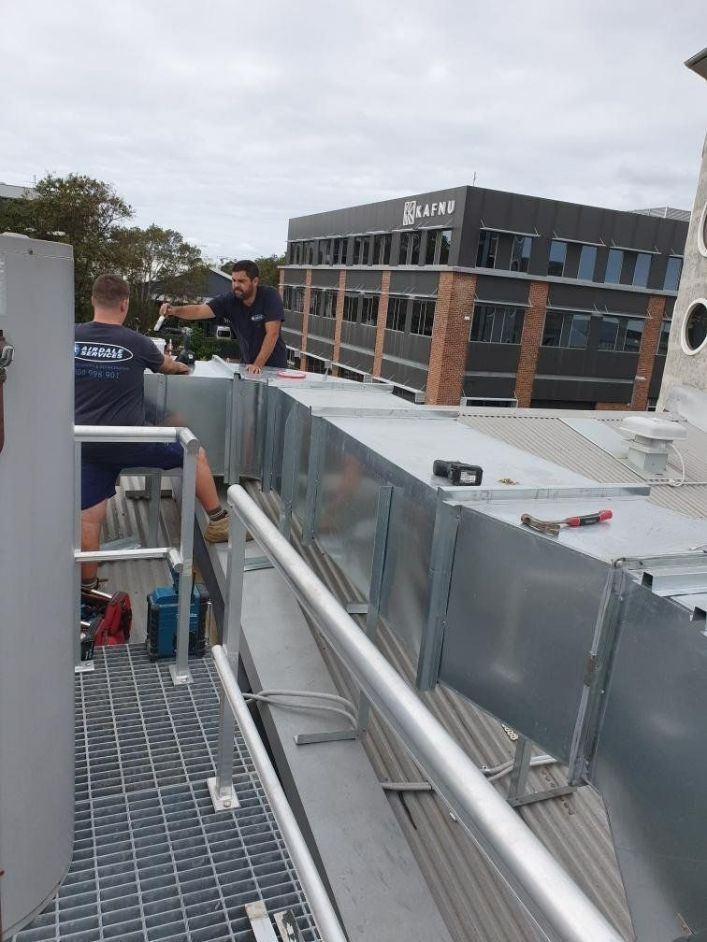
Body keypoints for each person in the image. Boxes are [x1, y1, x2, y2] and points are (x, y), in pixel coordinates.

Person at [75, 274, 230, 590]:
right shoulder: (137, 343)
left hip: (85, 443)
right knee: (194, 452)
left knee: (89, 519)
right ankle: (218, 521)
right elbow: (169, 367)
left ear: (93, 300)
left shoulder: (70, 336)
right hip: (130, 441)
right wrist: (183, 365)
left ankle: (87, 588)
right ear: (124, 304)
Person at [159, 259, 287, 373]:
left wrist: (257, 365)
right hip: (247, 368)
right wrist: (174, 310)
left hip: (275, 370)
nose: (236, 285)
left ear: (255, 281)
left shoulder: (269, 296)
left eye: (241, 281)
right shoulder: (229, 300)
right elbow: (199, 310)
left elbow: (272, 333)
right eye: (234, 280)